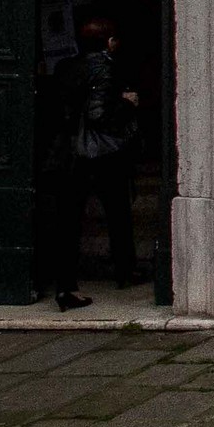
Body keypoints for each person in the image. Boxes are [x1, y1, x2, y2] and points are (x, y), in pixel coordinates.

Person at [43, 18, 141, 309]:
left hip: (68, 154)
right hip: (100, 156)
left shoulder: (65, 67)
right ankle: (125, 270)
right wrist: (127, 103)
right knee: (117, 212)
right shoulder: (104, 67)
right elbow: (99, 114)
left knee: (68, 221)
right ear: (109, 42)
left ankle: (65, 287)